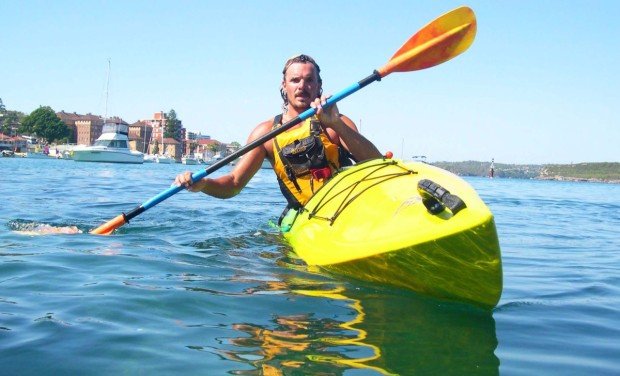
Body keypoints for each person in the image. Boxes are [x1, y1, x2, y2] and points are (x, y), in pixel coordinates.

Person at [174, 54, 382, 211]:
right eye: (295, 80)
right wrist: (204, 184)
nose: (303, 86)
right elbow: (234, 184)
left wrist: (337, 125)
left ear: (319, 86)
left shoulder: (336, 122)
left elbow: (377, 164)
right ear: (284, 85)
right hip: (305, 215)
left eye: (310, 80)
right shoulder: (266, 133)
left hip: (349, 206)